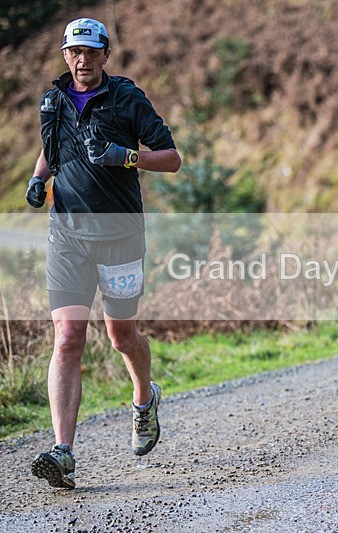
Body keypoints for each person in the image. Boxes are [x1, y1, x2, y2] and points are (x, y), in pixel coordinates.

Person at [25, 18, 181, 489]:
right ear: (65, 55)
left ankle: (143, 398)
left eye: (92, 53)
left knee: (120, 337)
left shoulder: (127, 98)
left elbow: (171, 158)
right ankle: (64, 452)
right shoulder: (52, 101)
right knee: (69, 336)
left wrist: (126, 156)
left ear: (105, 56)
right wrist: (38, 178)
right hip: (67, 237)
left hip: (119, 237)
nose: (83, 60)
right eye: (75, 52)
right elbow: (51, 149)